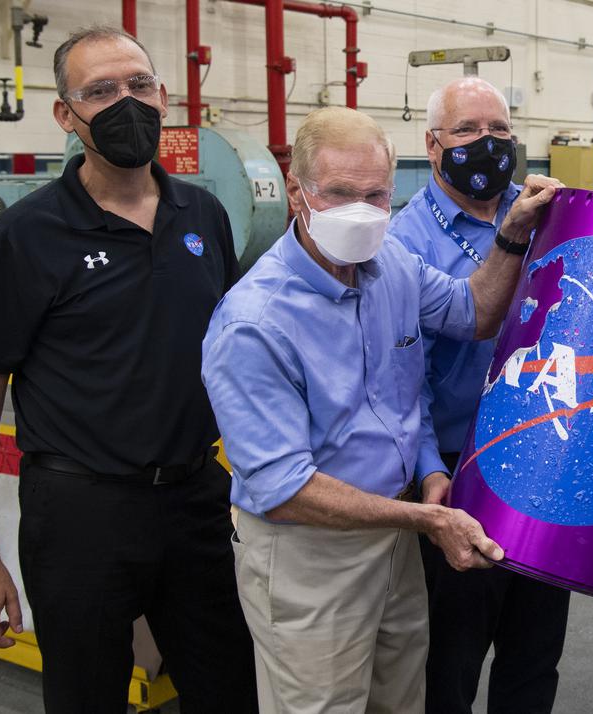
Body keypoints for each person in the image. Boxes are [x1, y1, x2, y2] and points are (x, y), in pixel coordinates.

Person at [201, 106, 561, 714]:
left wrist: (512, 235)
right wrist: (423, 519)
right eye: (340, 193)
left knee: (400, 698)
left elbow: (474, 312)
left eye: (376, 194)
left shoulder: (388, 265)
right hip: (308, 550)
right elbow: (283, 487)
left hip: (392, 536)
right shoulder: (254, 324)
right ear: (297, 191)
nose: (361, 210)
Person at [0, 26, 257, 712]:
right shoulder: (27, 236)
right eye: (101, 91)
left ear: (165, 95)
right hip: (81, 514)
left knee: (232, 689)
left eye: (139, 86)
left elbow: (236, 352)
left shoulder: (202, 214)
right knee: (87, 698)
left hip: (194, 500)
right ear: (66, 114)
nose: (128, 104)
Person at [385, 76, 572, 714]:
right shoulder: (403, 242)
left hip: (546, 472)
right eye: (468, 131)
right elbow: (402, 381)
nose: (486, 143)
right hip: (458, 482)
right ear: (433, 145)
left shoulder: (553, 211)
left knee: (534, 655)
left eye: (498, 130)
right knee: (449, 662)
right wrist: (429, 474)